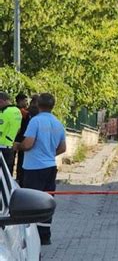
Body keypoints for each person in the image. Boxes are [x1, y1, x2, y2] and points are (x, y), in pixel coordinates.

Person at [18, 93, 66, 245]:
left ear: (38, 104)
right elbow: (63, 148)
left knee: (31, 203)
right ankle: (45, 235)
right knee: (46, 200)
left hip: (33, 168)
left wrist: (17, 146)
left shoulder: (35, 121)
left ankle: (31, 237)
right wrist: (49, 153)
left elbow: (28, 144)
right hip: (50, 167)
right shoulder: (58, 123)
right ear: (53, 106)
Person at [0, 92, 22, 174]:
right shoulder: (17, 111)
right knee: (7, 173)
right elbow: (19, 129)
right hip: (10, 146)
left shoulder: (4, 112)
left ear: (1, 101)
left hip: (2, 147)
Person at [14, 93, 29, 187]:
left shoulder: (14, 110)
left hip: (15, 138)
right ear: (20, 101)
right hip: (21, 138)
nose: (26, 103)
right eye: (25, 101)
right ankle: (19, 178)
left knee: (13, 160)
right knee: (21, 161)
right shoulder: (23, 112)